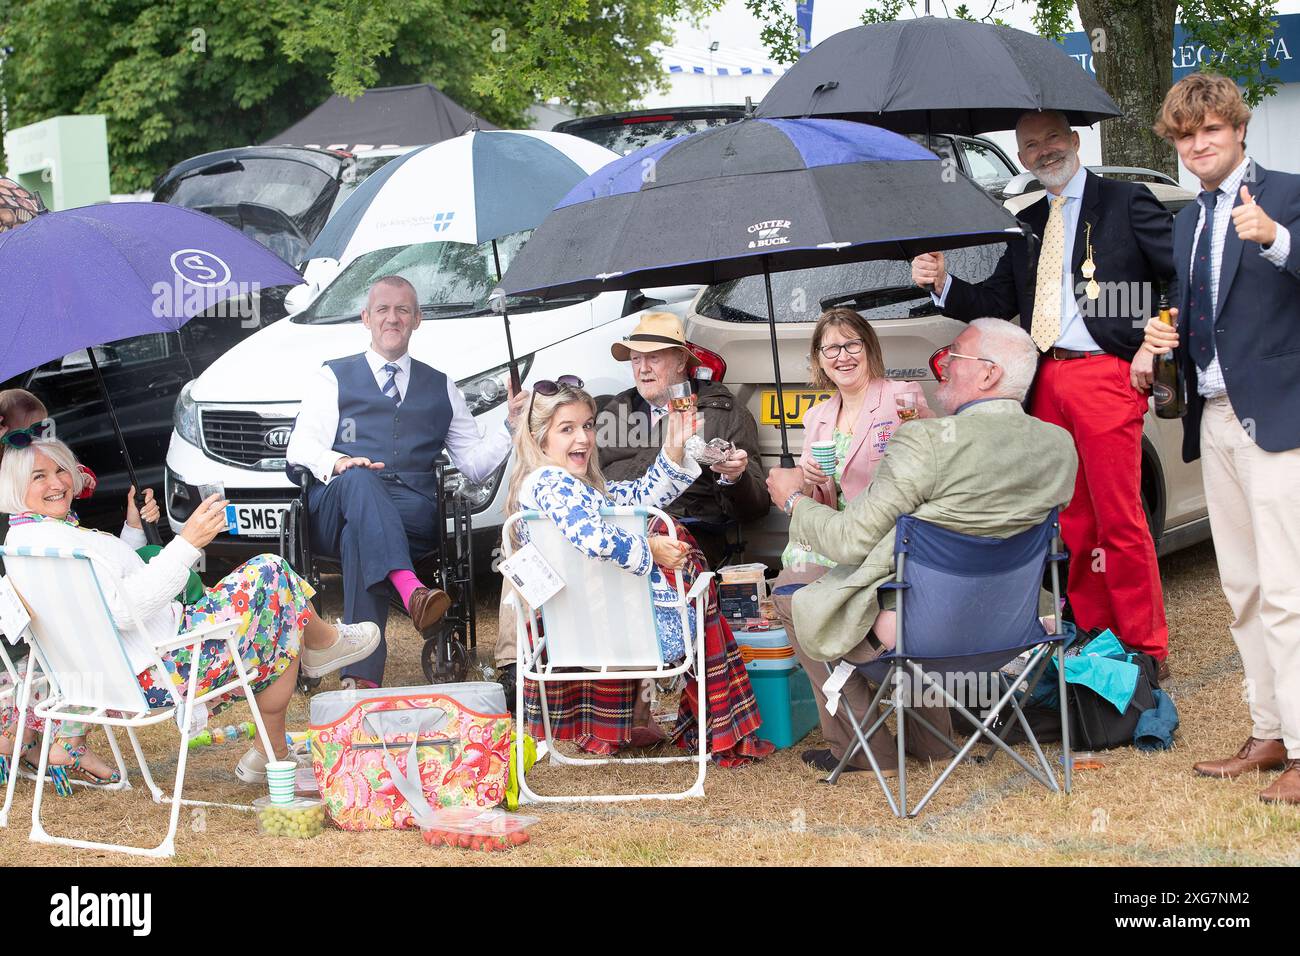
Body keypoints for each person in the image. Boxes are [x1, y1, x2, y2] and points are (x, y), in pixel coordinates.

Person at [912, 109, 1175, 673]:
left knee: (1120, 517)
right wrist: (943, 283)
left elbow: (1178, 275)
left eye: (1053, 138)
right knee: (1072, 520)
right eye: (1031, 145)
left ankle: (1145, 649)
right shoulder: (1027, 221)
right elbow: (992, 305)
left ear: (1075, 140)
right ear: (1022, 156)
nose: (1044, 151)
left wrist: (1156, 340)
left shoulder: (1127, 202)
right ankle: (1096, 636)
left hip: (1106, 370)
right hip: (1046, 379)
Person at [766, 320, 1077, 775]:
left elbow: (850, 539)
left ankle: (867, 750)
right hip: (1015, 627)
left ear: (988, 374)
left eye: (955, 356)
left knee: (793, 593)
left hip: (922, 633)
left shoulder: (924, 440)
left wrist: (792, 500)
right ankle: (931, 741)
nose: (942, 364)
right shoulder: (1058, 445)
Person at [0, 439, 381, 782]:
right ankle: (325, 647)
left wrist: (133, 529)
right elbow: (121, 611)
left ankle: (273, 749)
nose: (57, 483)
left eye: (60, 469)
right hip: (163, 668)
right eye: (39, 476)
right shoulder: (58, 544)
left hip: (125, 670)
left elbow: (108, 586)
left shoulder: (29, 542)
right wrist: (186, 544)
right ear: (16, 486)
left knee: (278, 614)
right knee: (271, 573)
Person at [1141, 74, 1300, 805]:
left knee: (1288, 593)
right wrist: (1161, 339)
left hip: (1281, 416)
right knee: (1240, 588)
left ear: (1237, 128)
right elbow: (1206, 309)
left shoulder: (1288, 193)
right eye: (1185, 135)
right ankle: (1269, 732)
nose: (1198, 144)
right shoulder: (1189, 219)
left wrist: (1277, 240)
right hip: (1214, 416)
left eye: (1210, 129)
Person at [505, 378, 772, 764]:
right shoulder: (551, 483)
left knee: (683, 562)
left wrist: (672, 448)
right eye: (567, 429)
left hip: (578, 633)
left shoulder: (567, 485)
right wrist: (652, 549)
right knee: (699, 586)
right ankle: (720, 725)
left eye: (587, 425)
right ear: (538, 438)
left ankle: (653, 723)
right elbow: (593, 538)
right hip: (628, 632)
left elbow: (638, 498)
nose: (583, 438)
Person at [287, 274, 526, 688]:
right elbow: (300, 448)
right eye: (382, 309)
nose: (392, 318)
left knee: (358, 538)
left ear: (418, 319)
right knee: (360, 481)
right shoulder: (333, 377)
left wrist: (510, 425)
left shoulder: (441, 387)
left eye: (403, 310)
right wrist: (339, 462)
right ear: (366, 318)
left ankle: (360, 679)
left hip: (409, 517)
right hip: (336, 504)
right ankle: (408, 586)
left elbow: (472, 465)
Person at [598, 311, 768, 566]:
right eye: (636, 359)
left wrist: (735, 478)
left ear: (680, 361)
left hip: (683, 539)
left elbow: (755, 509)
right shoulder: (616, 410)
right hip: (616, 533)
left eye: (653, 358)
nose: (643, 369)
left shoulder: (723, 413)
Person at [784, 307, 933, 570]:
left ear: (869, 349)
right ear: (819, 359)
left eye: (852, 345)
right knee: (797, 559)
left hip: (886, 533)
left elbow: (934, 457)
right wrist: (808, 480)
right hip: (836, 533)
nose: (843, 356)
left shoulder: (901, 396)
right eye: (831, 349)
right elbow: (811, 497)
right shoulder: (816, 416)